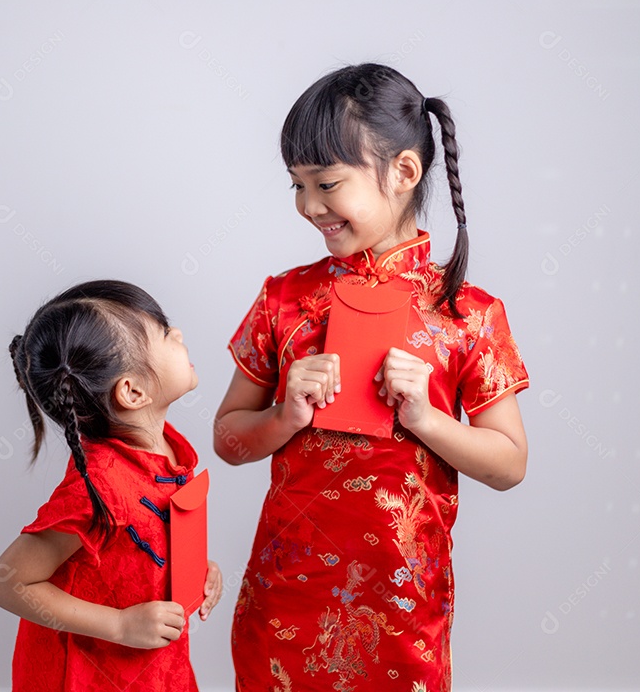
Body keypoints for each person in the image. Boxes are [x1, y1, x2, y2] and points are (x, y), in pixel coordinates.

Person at [215, 63, 530, 691]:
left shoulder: (467, 314)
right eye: (296, 186)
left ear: (405, 172)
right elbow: (228, 440)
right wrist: (284, 416)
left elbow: (508, 465)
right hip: (286, 596)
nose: (309, 206)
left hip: (403, 603)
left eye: (326, 183)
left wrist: (425, 419)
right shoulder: (285, 299)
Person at [0, 279, 224, 691]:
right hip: (89, 672)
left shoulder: (166, 451)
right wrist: (118, 624)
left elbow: (144, 542)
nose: (180, 334)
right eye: (166, 333)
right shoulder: (100, 483)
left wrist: (197, 567)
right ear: (132, 391)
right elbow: (8, 581)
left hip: (151, 664)